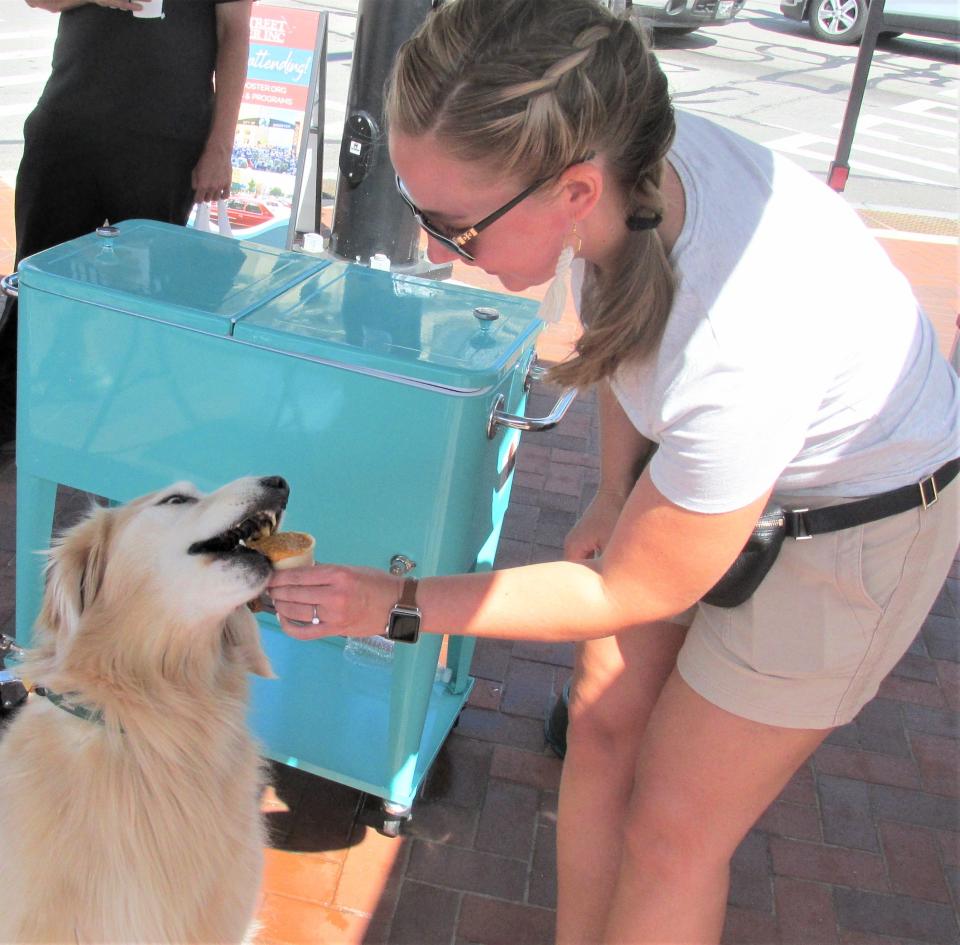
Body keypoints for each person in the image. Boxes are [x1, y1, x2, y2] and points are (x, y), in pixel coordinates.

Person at [267, 0, 960, 941]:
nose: (435, 249)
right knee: (597, 726)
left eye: (455, 225)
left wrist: (396, 602)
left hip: (856, 516)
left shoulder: (740, 333)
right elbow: (625, 335)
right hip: (724, 468)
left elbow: (628, 588)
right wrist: (610, 484)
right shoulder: (615, 163)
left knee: (674, 828)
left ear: (576, 192)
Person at [0, 0, 252, 447]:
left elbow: (236, 32)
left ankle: (129, 440)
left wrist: (220, 147)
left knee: (147, 303)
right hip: (67, 125)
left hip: (167, 141)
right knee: (38, 285)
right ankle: (13, 419)